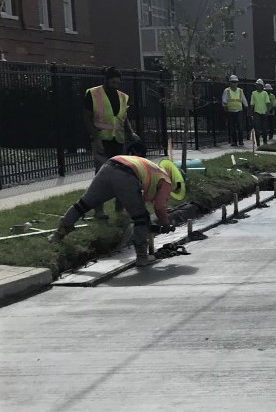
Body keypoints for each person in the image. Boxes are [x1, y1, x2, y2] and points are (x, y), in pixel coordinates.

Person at [49, 156, 186, 266]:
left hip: (109, 166)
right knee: (141, 218)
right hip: (125, 175)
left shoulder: (154, 169)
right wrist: (165, 224)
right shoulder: (166, 181)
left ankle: (59, 234)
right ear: (176, 180)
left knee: (83, 204)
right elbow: (160, 207)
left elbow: (134, 200)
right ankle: (142, 258)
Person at [84, 67, 139, 219]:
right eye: (113, 80)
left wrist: (131, 133)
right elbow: (87, 118)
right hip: (101, 141)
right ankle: (99, 210)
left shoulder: (122, 97)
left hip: (118, 141)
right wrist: (95, 138)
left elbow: (124, 118)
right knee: (101, 176)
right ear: (107, 80)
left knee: (120, 175)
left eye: (118, 81)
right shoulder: (93, 94)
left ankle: (119, 209)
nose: (116, 83)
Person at [222, 75, 248, 147]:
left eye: (236, 82)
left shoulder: (240, 90)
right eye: (233, 82)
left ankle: (241, 141)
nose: (234, 83)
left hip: (239, 110)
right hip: (230, 111)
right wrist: (225, 107)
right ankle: (234, 141)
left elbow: (243, 99)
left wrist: (246, 106)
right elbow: (224, 100)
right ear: (230, 83)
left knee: (240, 127)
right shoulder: (227, 90)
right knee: (232, 128)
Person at [248, 79, 270, 145]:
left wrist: (267, 111)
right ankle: (258, 142)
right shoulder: (254, 93)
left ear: (262, 86)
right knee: (257, 128)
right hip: (256, 112)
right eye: (257, 85)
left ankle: (265, 141)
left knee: (264, 128)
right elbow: (252, 103)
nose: (258, 86)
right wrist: (250, 111)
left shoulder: (265, 93)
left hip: (264, 112)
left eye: (259, 85)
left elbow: (267, 102)